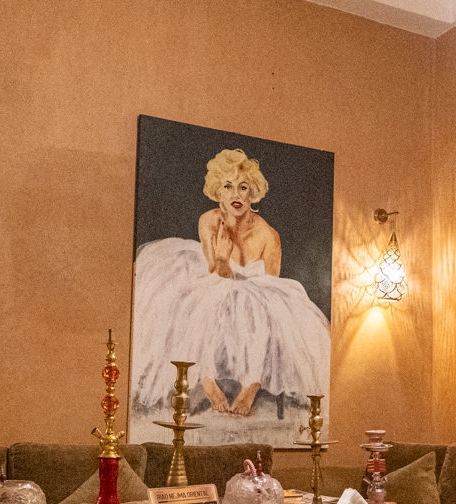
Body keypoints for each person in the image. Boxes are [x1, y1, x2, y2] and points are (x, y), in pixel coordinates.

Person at [133, 148, 329, 422]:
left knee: (261, 308)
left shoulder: (269, 236)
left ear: (252, 193)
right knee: (202, 302)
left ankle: (252, 383)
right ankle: (207, 379)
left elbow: (272, 291)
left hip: (256, 294)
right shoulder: (209, 221)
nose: (236, 194)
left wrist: (241, 283)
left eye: (243, 187)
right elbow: (217, 275)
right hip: (215, 283)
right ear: (218, 192)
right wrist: (223, 259)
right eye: (228, 186)